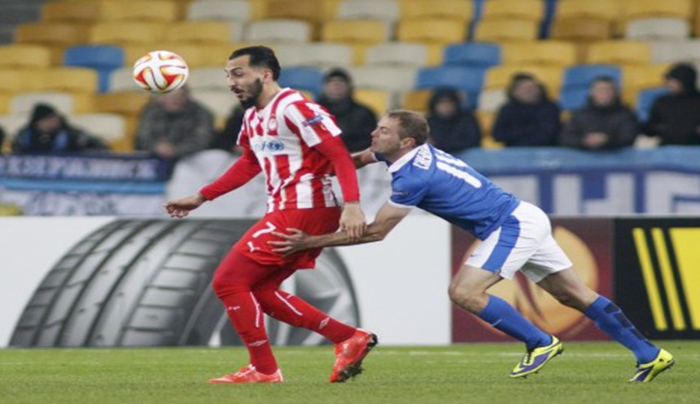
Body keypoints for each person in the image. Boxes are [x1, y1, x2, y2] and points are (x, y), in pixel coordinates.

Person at [270, 110, 675, 383]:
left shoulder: (413, 178)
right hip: (522, 216)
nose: (375, 133)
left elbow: (376, 232)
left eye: (385, 131)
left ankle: (540, 341)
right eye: (377, 127)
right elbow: (359, 157)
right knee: (575, 295)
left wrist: (310, 241)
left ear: (406, 142)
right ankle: (649, 354)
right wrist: (315, 164)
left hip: (510, 224)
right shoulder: (408, 153)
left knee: (464, 292)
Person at [164, 46, 376, 384]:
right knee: (261, 290)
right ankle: (348, 337)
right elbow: (249, 164)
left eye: (238, 73)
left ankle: (264, 369)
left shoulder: (296, 108)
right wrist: (202, 196)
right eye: (228, 76)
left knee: (228, 282)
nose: (232, 82)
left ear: (265, 74)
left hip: (307, 207)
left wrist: (352, 204)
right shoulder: (252, 116)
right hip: (287, 208)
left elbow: (337, 154)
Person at [134, 85, 215, 159]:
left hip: (190, 157)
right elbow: (142, 137)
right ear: (160, 98)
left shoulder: (201, 113)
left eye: (178, 97)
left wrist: (176, 150)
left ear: (186, 97)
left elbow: (202, 140)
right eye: (169, 97)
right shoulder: (151, 110)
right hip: (155, 156)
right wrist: (156, 147)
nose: (174, 100)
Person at [560, 76, 639, 150]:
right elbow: (565, 138)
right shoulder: (579, 114)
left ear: (615, 93)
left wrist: (607, 140)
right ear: (592, 92)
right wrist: (584, 141)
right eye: (600, 89)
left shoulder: (626, 115)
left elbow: (628, 138)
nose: (604, 93)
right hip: (582, 160)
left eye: (608, 90)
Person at [317, 68, 377, 153]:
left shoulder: (364, 113)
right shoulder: (312, 111)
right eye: (331, 81)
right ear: (324, 86)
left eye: (341, 81)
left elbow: (369, 140)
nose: (336, 85)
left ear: (349, 86)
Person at [492, 73, 561, 147]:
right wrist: (530, 129)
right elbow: (498, 135)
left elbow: (549, 133)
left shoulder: (550, 107)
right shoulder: (507, 109)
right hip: (514, 150)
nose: (530, 91)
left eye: (533, 88)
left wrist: (517, 133)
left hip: (545, 150)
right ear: (514, 92)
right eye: (525, 89)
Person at [12, 104, 108, 154]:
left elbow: (101, 147)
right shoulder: (23, 136)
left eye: (54, 119)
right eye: (47, 120)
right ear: (37, 123)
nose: (53, 123)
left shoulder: (73, 135)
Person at [642, 63, 700, 145]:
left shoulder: (697, 102)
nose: (669, 84)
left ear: (685, 81)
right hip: (667, 150)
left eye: (674, 81)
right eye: (668, 80)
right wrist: (662, 128)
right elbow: (648, 129)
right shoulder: (662, 102)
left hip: (694, 151)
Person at [426, 88, 481, 153]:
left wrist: (439, 145)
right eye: (441, 102)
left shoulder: (467, 119)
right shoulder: (427, 122)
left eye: (449, 102)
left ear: (456, 104)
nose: (445, 106)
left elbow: (473, 142)